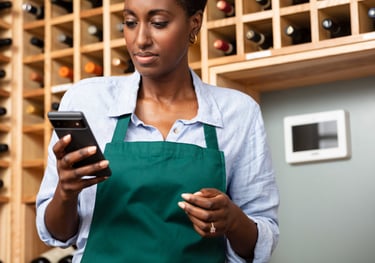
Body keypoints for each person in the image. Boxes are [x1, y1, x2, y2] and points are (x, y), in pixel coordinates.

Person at [36, 0, 279, 262]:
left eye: (158, 23)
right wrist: (66, 193)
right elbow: (57, 235)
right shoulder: (87, 101)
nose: (140, 39)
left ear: (194, 23)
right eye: (130, 22)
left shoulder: (238, 112)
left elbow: (260, 240)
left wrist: (232, 220)